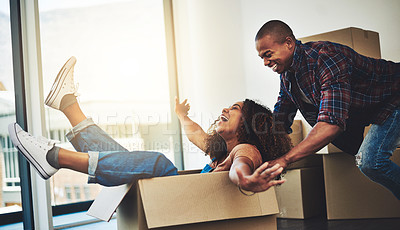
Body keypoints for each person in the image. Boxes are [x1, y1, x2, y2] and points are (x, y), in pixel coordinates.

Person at [9, 56, 292, 192]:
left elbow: (241, 167)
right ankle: (69, 106)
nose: (225, 109)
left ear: (251, 123)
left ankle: (54, 156)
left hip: (184, 202)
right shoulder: (220, 150)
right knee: (126, 158)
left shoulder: (246, 149)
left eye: (235, 108)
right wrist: (181, 115)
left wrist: (246, 179)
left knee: (160, 164)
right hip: (176, 198)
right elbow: (196, 136)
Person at [246, 20, 400, 199]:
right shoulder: (287, 76)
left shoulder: (326, 58)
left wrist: (285, 159)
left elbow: (330, 124)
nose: (265, 62)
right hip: (375, 109)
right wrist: (249, 152)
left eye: (268, 54)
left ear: (289, 43)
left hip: (394, 97)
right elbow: (279, 121)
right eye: (262, 57)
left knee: (370, 161)